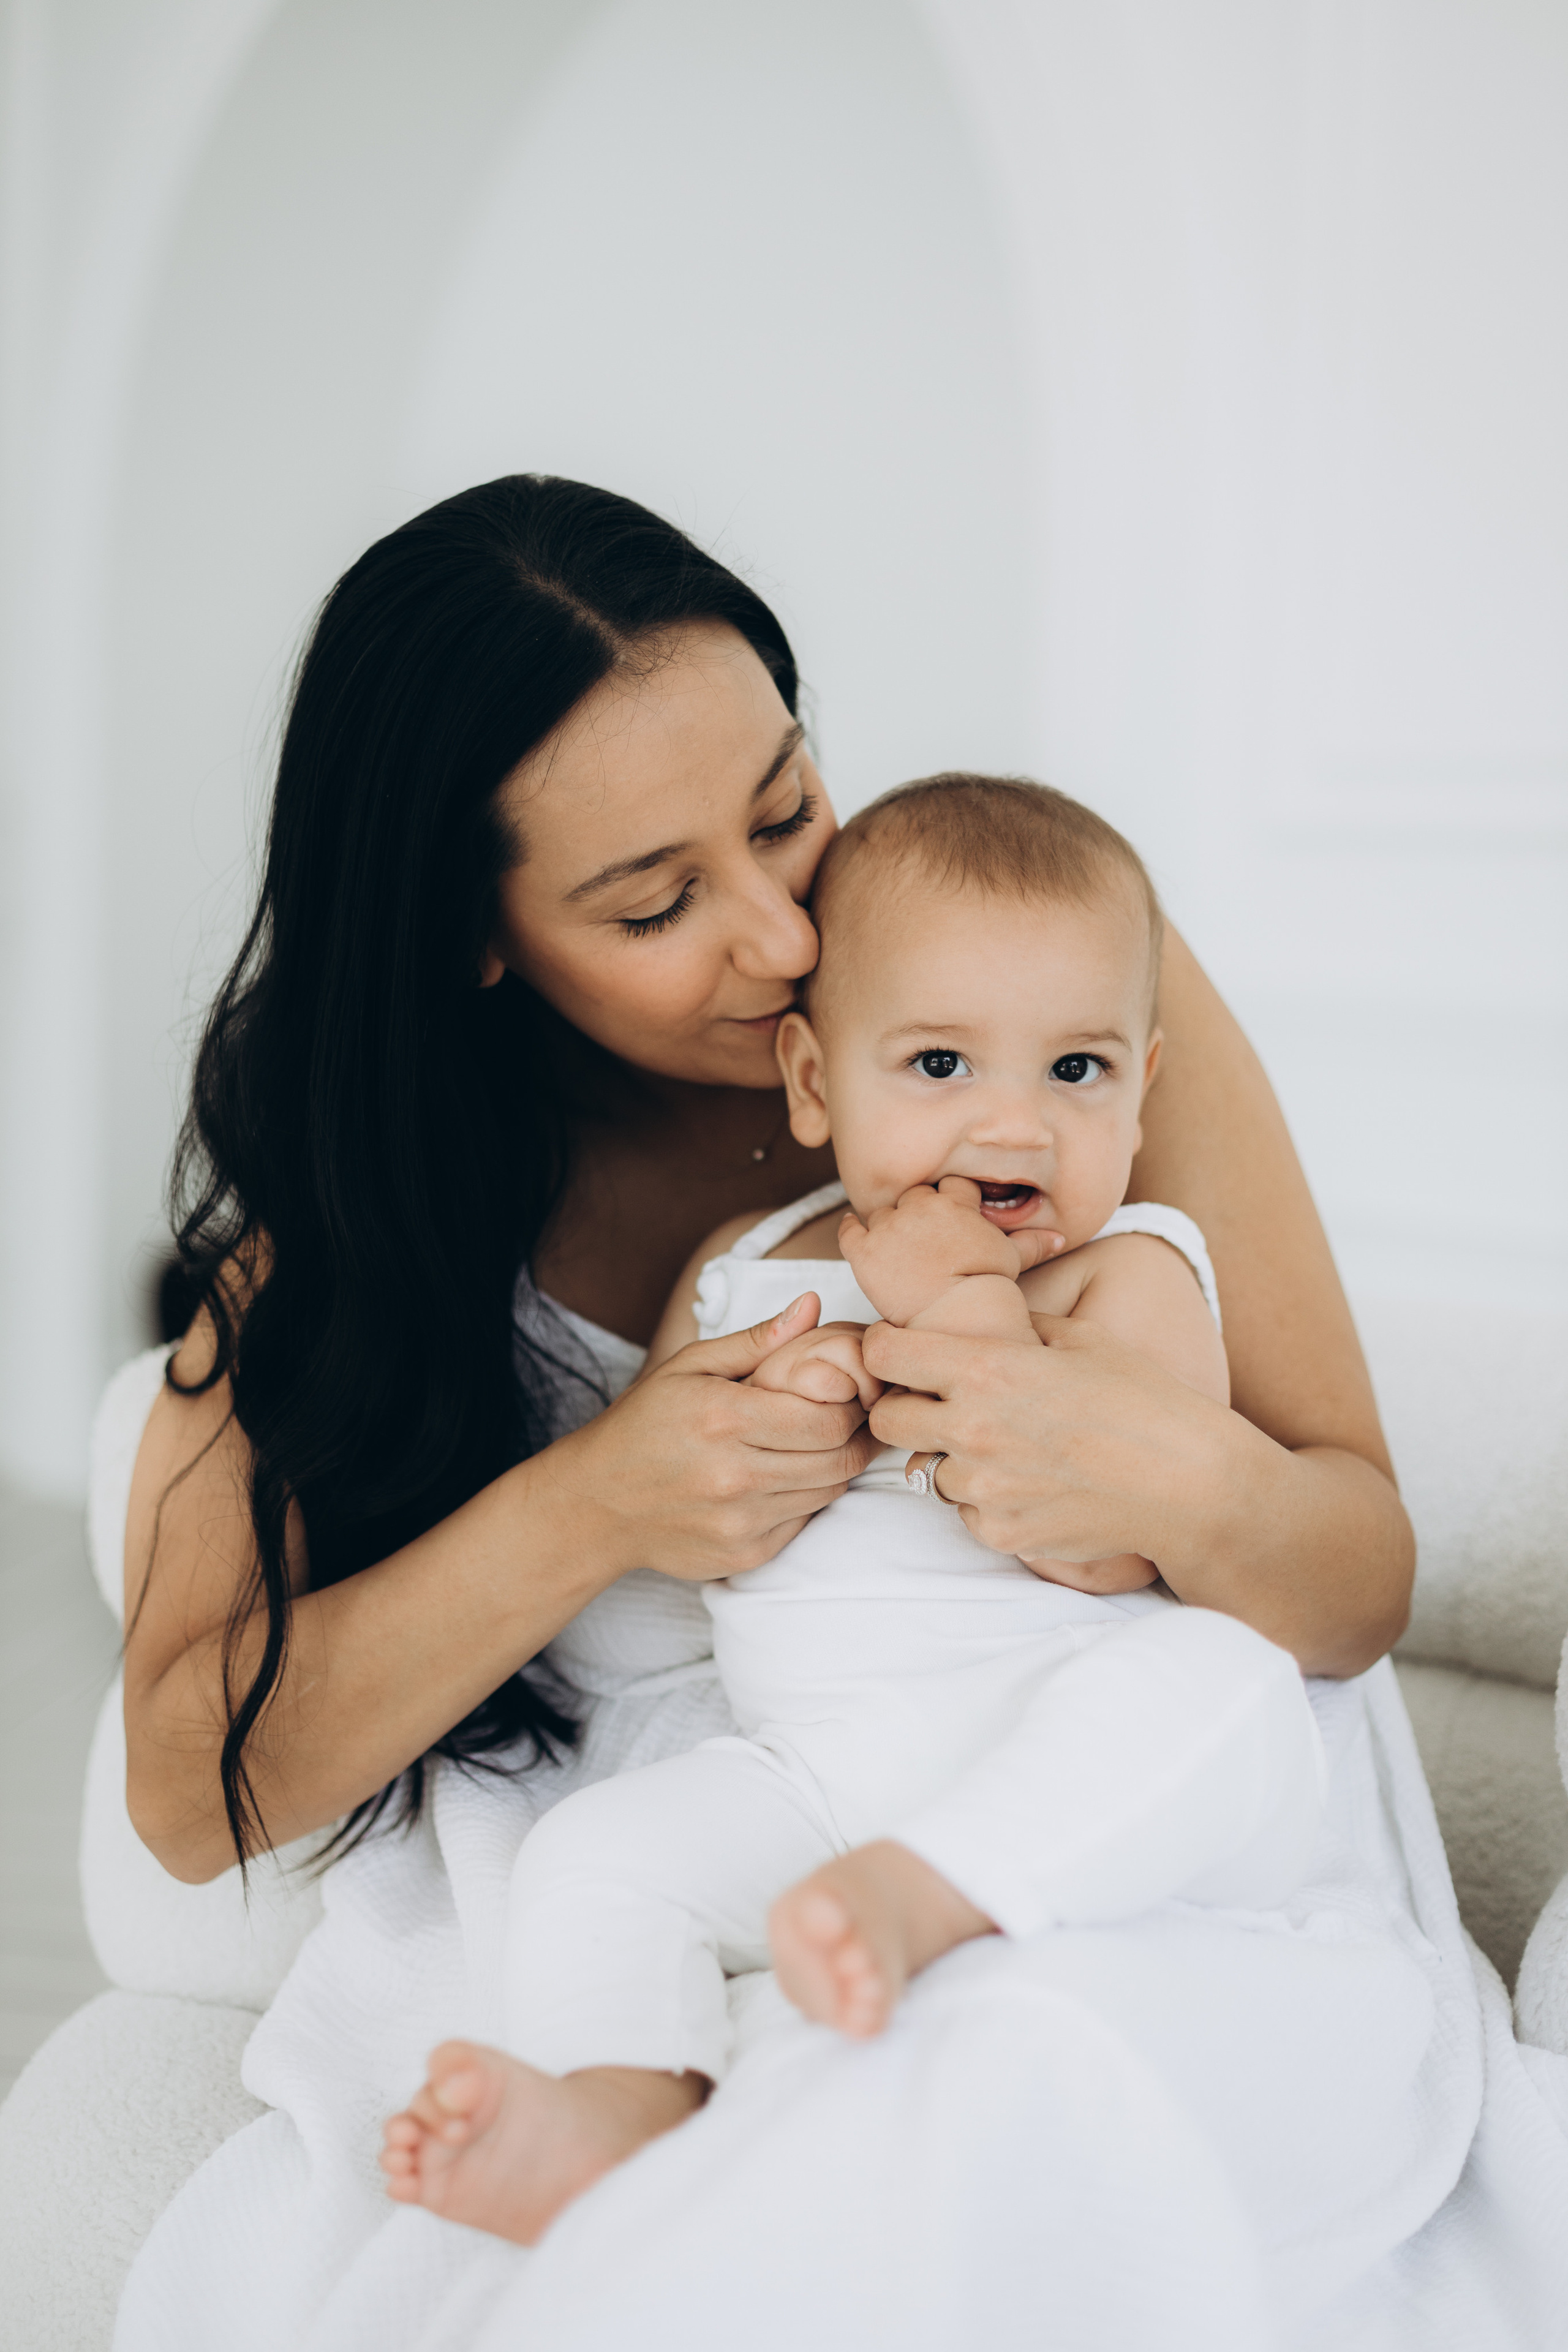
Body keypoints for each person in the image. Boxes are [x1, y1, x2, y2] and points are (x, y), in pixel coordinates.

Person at [115, 476, 1430, 2351]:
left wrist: (1160, 1469)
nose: (787, 934)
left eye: (786, 810)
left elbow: (1356, 1570)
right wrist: (594, 1502)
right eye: (659, 903)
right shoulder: (350, 1251)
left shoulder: (1051, 981)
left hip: (1129, 1813)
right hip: (778, 1828)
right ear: (471, 938)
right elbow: (186, 1792)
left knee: (1014, 2095)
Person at [378, 775, 1329, 2248]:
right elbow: (688, 1480)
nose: (1009, 1125)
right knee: (595, 1859)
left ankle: (940, 1894)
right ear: (816, 1086)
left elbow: (1106, 1548)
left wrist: (956, 1309)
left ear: (1144, 1087)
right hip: (816, 1776)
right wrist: (781, 1405)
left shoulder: (1129, 1273)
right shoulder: (745, 1259)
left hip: (1056, 1733)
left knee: (1226, 1684)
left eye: (1076, 1073)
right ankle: (617, 2108)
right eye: (939, 1062)